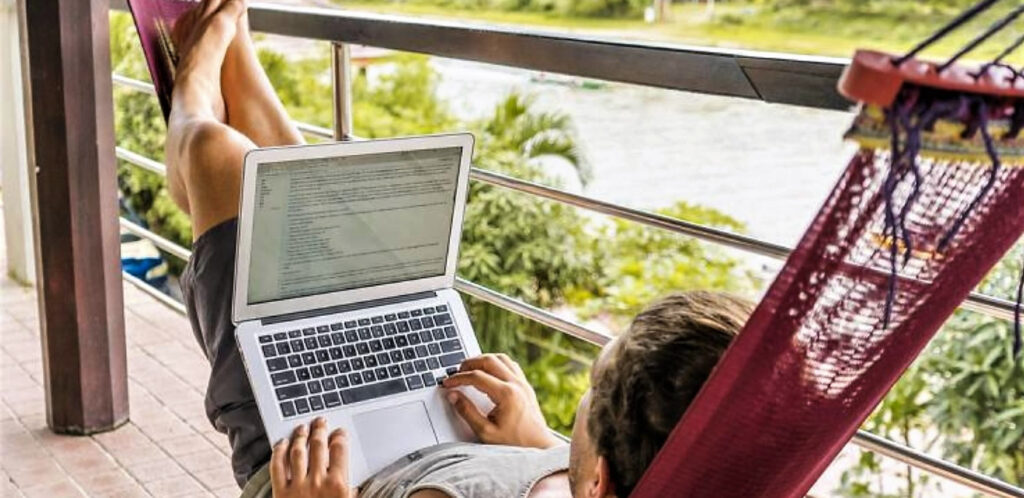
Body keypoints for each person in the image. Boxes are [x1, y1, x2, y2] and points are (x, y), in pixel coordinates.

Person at [166, 1, 754, 497]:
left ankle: (195, 73)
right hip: (456, 432)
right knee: (308, 206)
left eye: (591, 393)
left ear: (600, 478)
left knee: (213, 153)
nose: (583, 401)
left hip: (315, 464)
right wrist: (540, 441)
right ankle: (234, 45)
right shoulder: (623, 478)